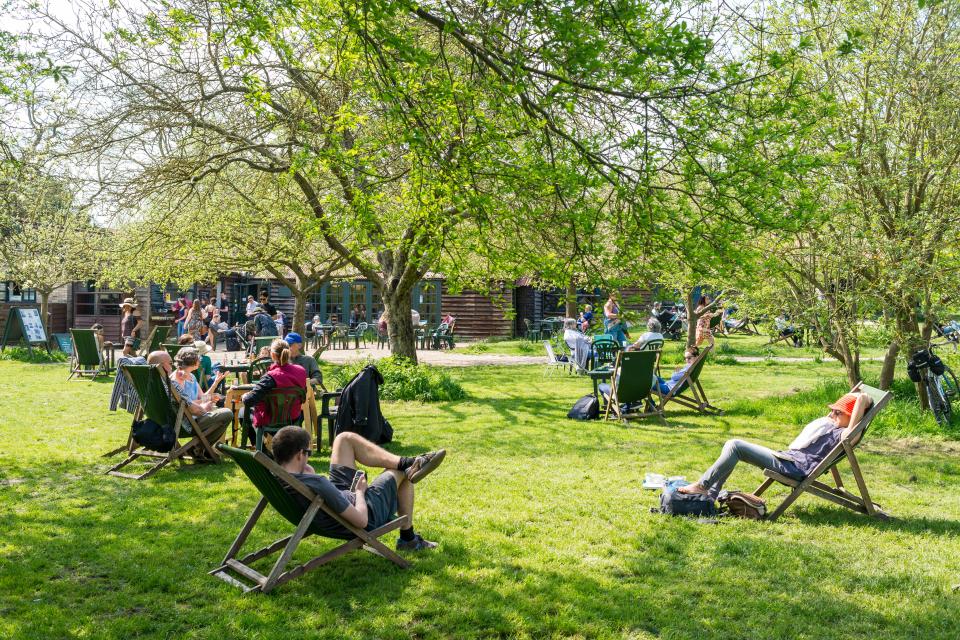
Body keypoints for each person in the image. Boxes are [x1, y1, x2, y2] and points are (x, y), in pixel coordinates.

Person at [272, 425, 445, 550]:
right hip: (363, 511)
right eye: (308, 453)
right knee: (401, 472)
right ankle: (408, 539)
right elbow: (361, 521)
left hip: (336, 499)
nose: (308, 457)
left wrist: (307, 470)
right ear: (300, 454)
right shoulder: (318, 483)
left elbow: (320, 489)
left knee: (344, 439)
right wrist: (360, 492)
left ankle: (409, 462)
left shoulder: (275, 476)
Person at [677, 392, 872, 499]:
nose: (832, 415)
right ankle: (709, 492)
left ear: (852, 417)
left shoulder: (846, 435)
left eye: (838, 413)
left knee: (735, 445)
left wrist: (862, 399)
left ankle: (704, 487)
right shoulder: (832, 426)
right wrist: (847, 402)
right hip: (787, 459)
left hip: (794, 468)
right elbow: (842, 412)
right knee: (733, 446)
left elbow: (859, 409)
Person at [150, 349, 231, 453]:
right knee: (227, 413)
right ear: (195, 362)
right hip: (186, 424)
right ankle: (198, 448)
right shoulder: (175, 381)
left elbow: (200, 398)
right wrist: (205, 408)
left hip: (183, 419)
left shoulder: (190, 376)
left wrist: (215, 384)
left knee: (218, 412)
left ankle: (198, 448)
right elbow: (192, 407)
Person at [242, 339, 308, 440]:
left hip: (271, 420)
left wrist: (245, 396)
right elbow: (303, 395)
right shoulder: (301, 371)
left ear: (272, 355)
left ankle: (262, 451)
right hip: (293, 417)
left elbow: (249, 400)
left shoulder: (270, 376)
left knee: (243, 413)